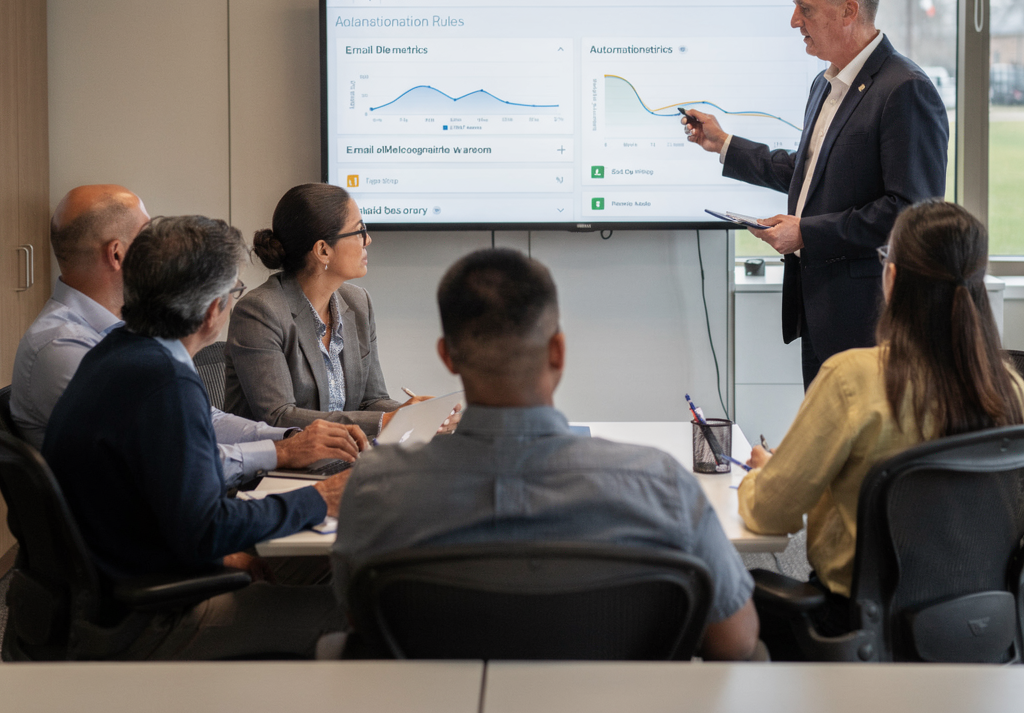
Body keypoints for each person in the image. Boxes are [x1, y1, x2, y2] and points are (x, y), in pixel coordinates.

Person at [331, 248, 760, 661]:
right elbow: (735, 642)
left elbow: (361, 623)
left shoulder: (375, 487)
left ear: (447, 357)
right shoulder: (661, 485)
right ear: (558, 351)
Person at [42, 215, 350, 659]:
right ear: (212, 311)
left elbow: (173, 504)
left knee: (323, 563)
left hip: (122, 583)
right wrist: (321, 498)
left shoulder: (117, 351)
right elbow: (207, 529)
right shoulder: (164, 382)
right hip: (153, 619)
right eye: (235, 291)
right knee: (358, 609)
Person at [737, 200, 1024, 655]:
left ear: (891, 277)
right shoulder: (1010, 388)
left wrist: (761, 475)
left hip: (862, 632)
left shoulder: (852, 379)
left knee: (734, 595)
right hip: (985, 631)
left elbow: (771, 515)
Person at [683, 0, 948, 388]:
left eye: (804, 9)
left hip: (871, 320)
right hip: (821, 310)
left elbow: (911, 213)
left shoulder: (905, 89)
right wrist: (723, 143)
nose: (794, 21)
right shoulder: (825, 84)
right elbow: (808, 174)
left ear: (849, 11)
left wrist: (807, 232)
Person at [11, 185, 362, 483]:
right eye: (148, 237)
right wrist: (279, 451)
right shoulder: (61, 347)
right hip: (133, 535)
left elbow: (202, 422)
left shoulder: (125, 333)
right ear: (117, 254)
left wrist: (290, 438)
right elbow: (172, 458)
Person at [225, 183, 414, 435]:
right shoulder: (260, 311)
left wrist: (411, 413)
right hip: (277, 458)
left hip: (344, 454)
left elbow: (371, 401)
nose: (368, 240)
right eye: (360, 231)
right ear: (323, 250)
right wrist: (385, 421)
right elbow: (279, 417)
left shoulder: (359, 303)